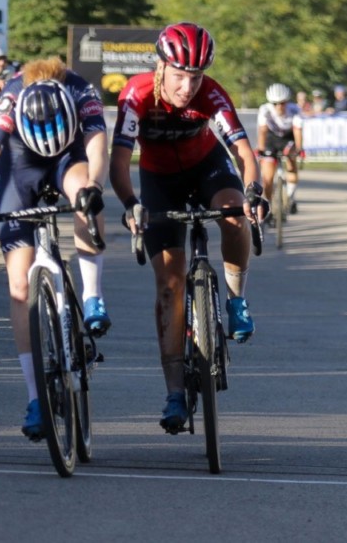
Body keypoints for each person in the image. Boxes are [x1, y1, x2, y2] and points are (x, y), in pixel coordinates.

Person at [109, 22, 264, 434]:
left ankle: (236, 300)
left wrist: (254, 191)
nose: (188, 86)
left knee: (233, 213)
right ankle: (175, 392)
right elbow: (120, 162)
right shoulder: (136, 94)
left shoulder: (212, 93)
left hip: (207, 167)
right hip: (159, 181)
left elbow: (245, 153)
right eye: (180, 76)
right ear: (161, 67)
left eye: (195, 76)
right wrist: (130, 204)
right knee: (169, 286)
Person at [0, 58, 110, 440]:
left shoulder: (80, 91)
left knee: (85, 196)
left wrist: (93, 187)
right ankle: (34, 397)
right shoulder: (12, 98)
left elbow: (97, 150)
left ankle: (92, 296)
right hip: (22, 162)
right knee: (19, 287)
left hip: (68, 156)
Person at [257, 82, 304, 217]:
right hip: (271, 139)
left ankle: (290, 196)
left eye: (282, 103)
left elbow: (297, 130)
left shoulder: (294, 109)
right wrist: (261, 149)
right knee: (267, 176)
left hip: (288, 137)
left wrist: (299, 148)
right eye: (275, 103)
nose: (279, 106)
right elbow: (263, 130)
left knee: (291, 159)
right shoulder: (265, 110)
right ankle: (269, 205)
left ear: (287, 101)